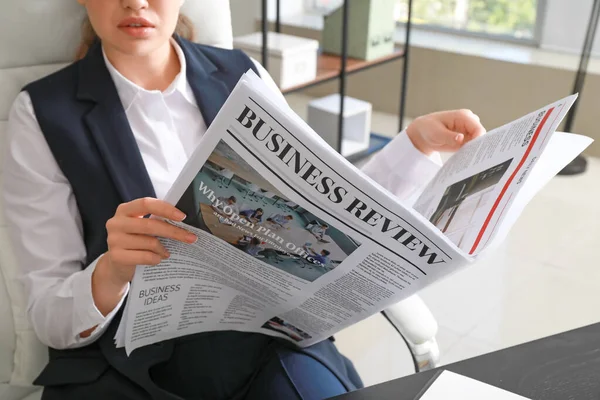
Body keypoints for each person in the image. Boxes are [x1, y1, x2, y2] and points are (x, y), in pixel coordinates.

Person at [0, 0, 485, 399]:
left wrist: (415, 146)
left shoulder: (243, 75)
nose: (136, 2)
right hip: (130, 364)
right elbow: (49, 316)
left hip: (266, 342)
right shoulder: (42, 112)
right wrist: (111, 271)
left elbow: (328, 209)